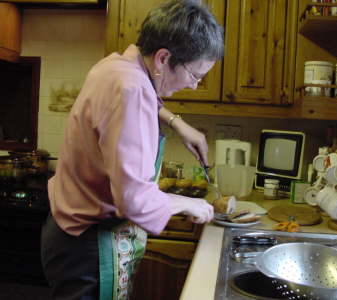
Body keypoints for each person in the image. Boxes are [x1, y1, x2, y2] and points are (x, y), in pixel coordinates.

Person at [40, 0, 224, 299]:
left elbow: (133, 99)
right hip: (88, 246)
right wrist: (187, 203)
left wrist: (176, 121)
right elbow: (133, 201)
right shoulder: (131, 89)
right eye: (195, 75)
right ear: (163, 58)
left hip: (67, 234)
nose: (194, 85)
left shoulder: (116, 65)